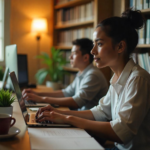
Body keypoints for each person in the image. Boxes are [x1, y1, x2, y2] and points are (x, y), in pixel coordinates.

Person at [35, 9, 150, 150]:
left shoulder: (138, 79)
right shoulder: (117, 77)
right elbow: (101, 112)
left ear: (120, 46)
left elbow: (121, 133)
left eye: (99, 44)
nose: (93, 51)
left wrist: (67, 118)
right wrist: (57, 113)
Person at [22, 38, 108, 110]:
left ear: (85, 57)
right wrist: (36, 94)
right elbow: (66, 92)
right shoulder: (82, 73)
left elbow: (76, 102)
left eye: (73, 54)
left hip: (89, 124)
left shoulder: (93, 75)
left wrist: (41, 99)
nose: (70, 57)